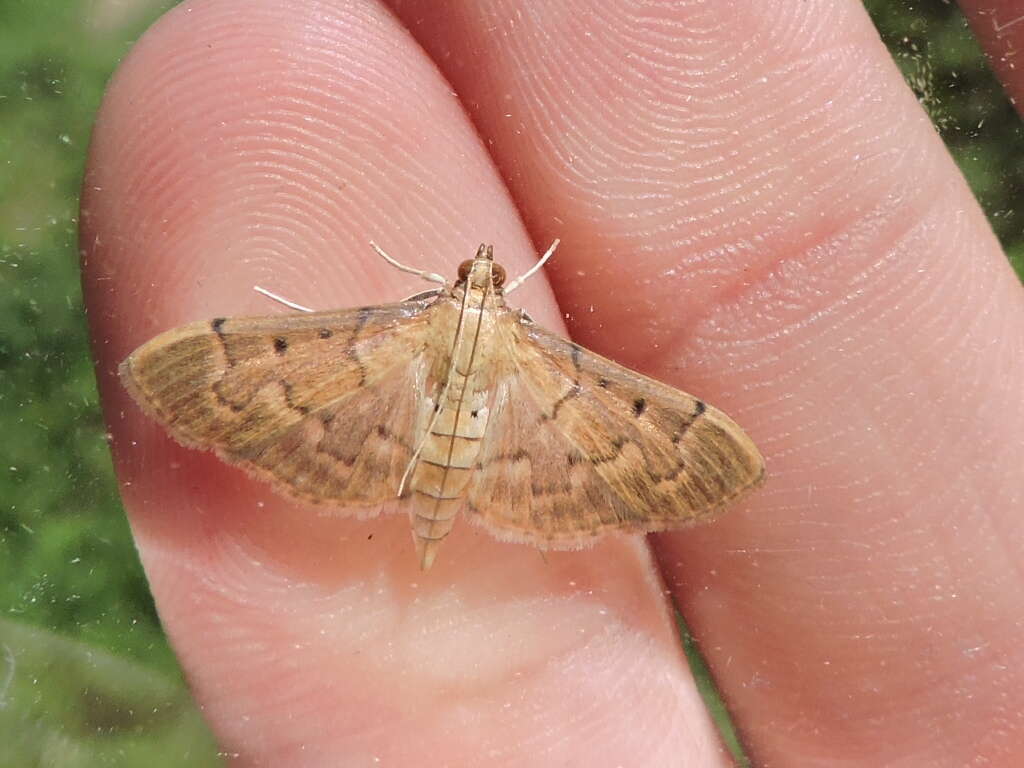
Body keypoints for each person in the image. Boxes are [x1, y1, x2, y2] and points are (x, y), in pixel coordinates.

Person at [81, 1, 1024, 765]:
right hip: (524, 421)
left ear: (460, 288)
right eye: (482, 280)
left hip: (383, 413)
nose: (481, 278)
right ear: (500, 293)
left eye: (477, 280)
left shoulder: (410, 322)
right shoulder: (535, 346)